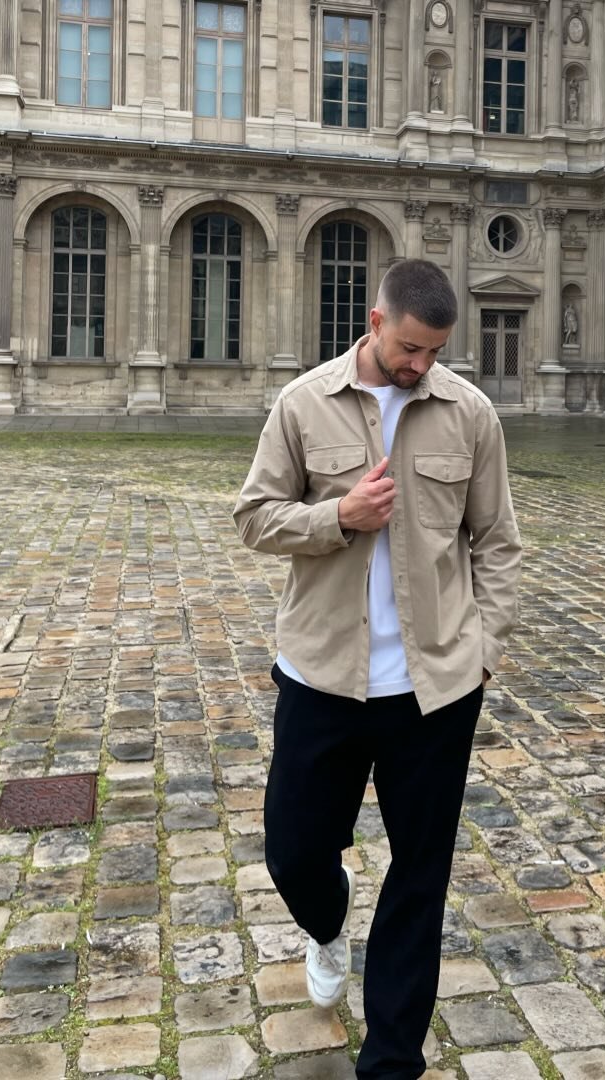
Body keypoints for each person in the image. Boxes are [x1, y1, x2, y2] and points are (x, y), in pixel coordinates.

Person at [234, 258, 521, 1079]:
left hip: (435, 690)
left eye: (434, 352)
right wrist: (339, 515)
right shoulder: (302, 403)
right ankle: (327, 925)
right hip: (321, 676)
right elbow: (254, 518)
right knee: (293, 853)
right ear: (375, 322)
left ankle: (392, 1061)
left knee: (420, 877)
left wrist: (484, 650)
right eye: (409, 348)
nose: (420, 364)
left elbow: (497, 541)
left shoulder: (471, 414)